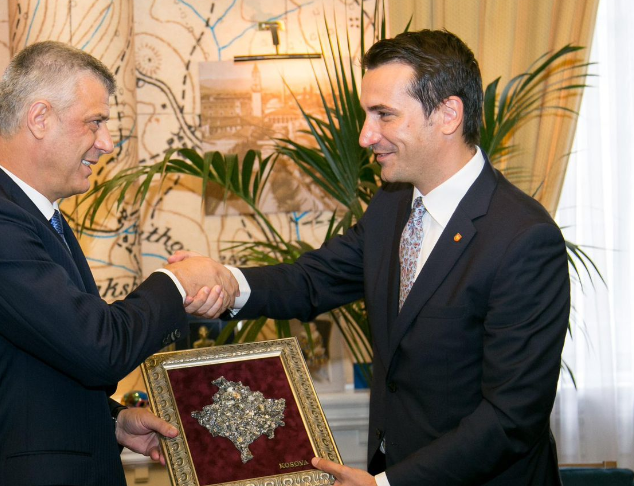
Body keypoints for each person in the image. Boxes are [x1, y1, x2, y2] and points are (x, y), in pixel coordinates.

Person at [171, 30, 570, 485]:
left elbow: (511, 417)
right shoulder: (392, 204)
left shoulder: (524, 238)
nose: (365, 135)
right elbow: (313, 280)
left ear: (448, 114)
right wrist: (227, 282)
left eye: (384, 114)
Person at [0, 41, 236, 485]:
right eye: (95, 122)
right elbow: (99, 347)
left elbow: (39, 362)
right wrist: (176, 282)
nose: (106, 144)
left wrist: (111, 420)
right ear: (40, 118)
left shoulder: (29, 215)